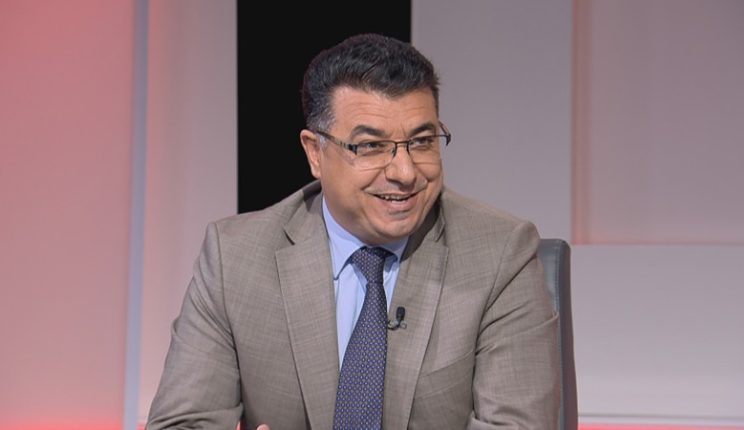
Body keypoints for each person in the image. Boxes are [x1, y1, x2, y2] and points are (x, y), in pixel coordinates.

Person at [147, 33, 560, 429]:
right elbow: (182, 423)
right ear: (315, 152)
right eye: (371, 146)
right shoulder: (235, 259)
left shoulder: (499, 255)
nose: (405, 172)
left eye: (422, 142)